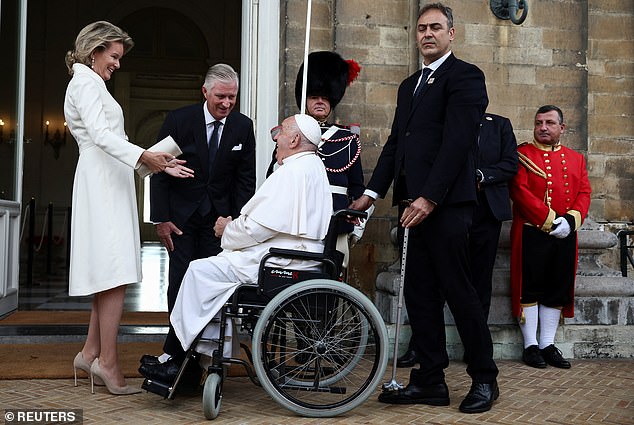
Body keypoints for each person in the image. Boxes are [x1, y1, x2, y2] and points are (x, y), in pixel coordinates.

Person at [350, 3, 499, 413]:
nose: (427, 34)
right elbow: (397, 143)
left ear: (453, 33)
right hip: (410, 207)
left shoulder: (466, 77)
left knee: (459, 291)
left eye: (435, 27)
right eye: (421, 28)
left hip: (447, 206)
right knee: (418, 295)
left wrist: (430, 196)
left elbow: (456, 143)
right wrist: (371, 194)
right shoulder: (409, 84)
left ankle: (485, 378)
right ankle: (430, 380)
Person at [139, 114, 333, 383]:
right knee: (210, 272)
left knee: (199, 271)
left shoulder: (293, 171)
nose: (276, 138)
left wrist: (226, 230)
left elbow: (257, 228)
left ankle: (181, 358)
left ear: (295, 139)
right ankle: (190, 357)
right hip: (292, 255)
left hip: (282, 262)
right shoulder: (311, 167)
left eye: (282, 132)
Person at [64, 21, 191, 395]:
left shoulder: (91, 83)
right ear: (95, 50)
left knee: (110, 269)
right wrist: (145, 157)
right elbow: (102, 137)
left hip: (109, 177)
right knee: (116, 270)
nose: (118, 63)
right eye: (114, 56)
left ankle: (90, 353)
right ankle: (108, 363)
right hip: (101, 181)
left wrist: (157, 161)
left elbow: (111, 140)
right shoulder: (85, 81)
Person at [140, 64, 256, 371]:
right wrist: (160, 219)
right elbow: (159, 171)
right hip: (181, 221)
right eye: (221, 96)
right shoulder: (179, 120)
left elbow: (246, 181)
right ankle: (177, 353)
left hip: (219, 224)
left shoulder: (243, 127)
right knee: (179, 283)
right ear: (205, 92)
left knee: (214, 288)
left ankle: (206, 355)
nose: (227, 103)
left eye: (233, 97)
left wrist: (236, 223)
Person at [397, 112, 518, 367]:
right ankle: (421, 344)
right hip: (448, 211)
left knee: (479, 281)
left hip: (485, 213)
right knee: (436, 280)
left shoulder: (499, 126)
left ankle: (475, 349)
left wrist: (481, 176)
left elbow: (510, 164)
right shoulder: (441, 125)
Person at [509, 105, 591, 369]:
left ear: (562, 128)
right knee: (529, 289)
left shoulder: (576, 159)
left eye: (550, 123)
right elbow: (519, 191)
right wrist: (548, 219)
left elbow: (584, 193)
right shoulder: (522, 155)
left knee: (557, 289)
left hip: (566, 233)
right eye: (538, 123)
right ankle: (530, 345)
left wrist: (571, 220)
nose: (543, 127)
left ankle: (547, 344)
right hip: (533, 232)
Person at [267, 51, 366, 262]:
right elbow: (273, 178)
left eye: (325, 98)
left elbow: (357, 188)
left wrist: (357, 227)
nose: (320, 102)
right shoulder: (287, 135)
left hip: (335, 223)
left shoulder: (347, 139)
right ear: (305, 100)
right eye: (314, 97)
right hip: (295, 222)